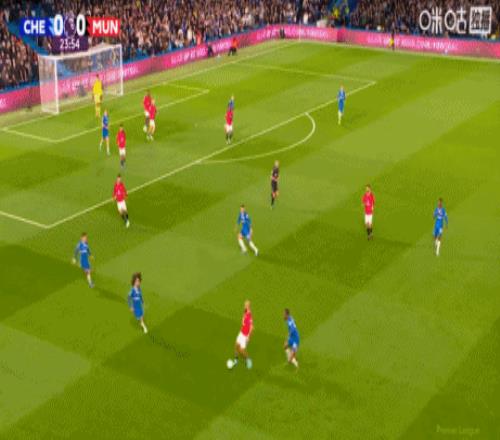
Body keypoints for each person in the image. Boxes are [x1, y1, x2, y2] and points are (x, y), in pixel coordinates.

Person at [233, 300, 253, 369]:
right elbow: (244, 324)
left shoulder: (249, 315)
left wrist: (248, 337)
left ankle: (248, 359)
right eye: (244, 305)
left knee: (241, 350)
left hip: (245, 336)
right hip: (241, 333)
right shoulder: (245, 312)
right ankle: (236, 360)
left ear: (248, 306)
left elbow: (251, 327)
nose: (244, 306)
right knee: (236, 346)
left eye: (246, 305)